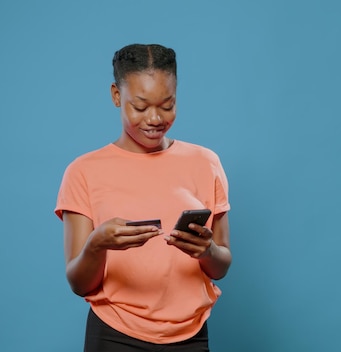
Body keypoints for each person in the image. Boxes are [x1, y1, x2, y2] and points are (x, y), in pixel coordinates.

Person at [54, 43, 232, 352]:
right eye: (140, 106)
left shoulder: (206, 162)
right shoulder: (83, 171)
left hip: (191, 334)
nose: (155, 118)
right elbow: (78, 283)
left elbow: (222, 266)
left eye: (167, 105)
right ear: (116, 96)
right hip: (114, 334)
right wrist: (98, 244)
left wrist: (207, 250)